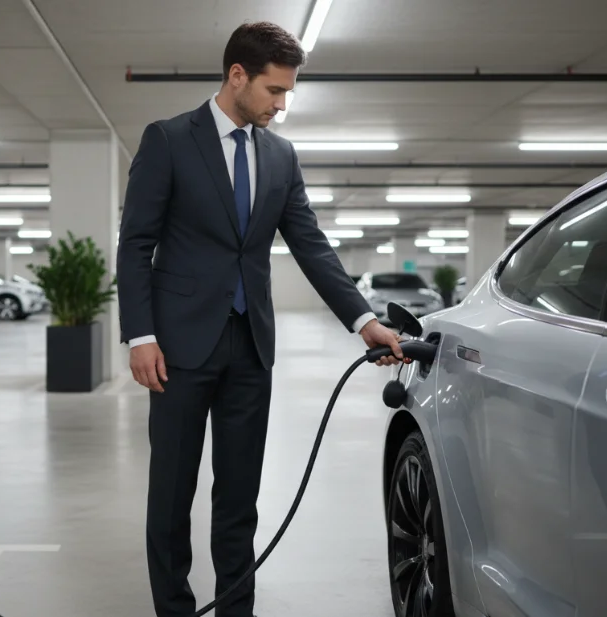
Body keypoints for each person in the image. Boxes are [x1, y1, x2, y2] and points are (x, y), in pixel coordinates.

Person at [116, 20, 407, 617]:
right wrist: (140, 335)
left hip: (250, 348)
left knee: (239, 497)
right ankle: (173, 608)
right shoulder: (170, 139)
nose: (282, 104)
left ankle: (234, 610)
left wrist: (363, 321)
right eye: (275, 91)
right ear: (237, 75)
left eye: (288, 93)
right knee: (171, 495)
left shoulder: (279, 155)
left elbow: (311, 244)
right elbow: (135, 243)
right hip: (177, 349)